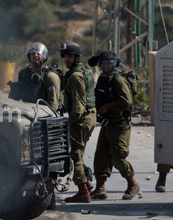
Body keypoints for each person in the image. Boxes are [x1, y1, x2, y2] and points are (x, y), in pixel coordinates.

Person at [88, 51, 140, 200]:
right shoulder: (104, 79)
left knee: (117, 157)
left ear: (114, 64)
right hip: (107, 123)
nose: (105, 67)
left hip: (120, 125)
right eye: (103, 64)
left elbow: (126, 102)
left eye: (108, 64)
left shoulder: (118, 80)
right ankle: (100, 188)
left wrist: (108, 107)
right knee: (101, 156)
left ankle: (132, 184)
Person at [60, 42, 97, 203]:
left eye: (69, 56)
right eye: (65, 56)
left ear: (76, 57)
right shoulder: (85, 72)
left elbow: (79, 107)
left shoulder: (75, 76)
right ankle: (87, 182)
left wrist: (68, 122)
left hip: (82, 118)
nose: (66, 59)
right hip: (90, 116)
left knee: (76, 154)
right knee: (79, 152)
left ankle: (83, 191)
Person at [8, 42, 62, 112]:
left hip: (44, 112)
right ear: (29, 56)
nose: (35, 55)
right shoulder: (24, 74)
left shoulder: (50, 76)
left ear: (44, 56)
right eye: (33, 53)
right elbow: (16, 97)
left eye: (38, 54)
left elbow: (53, 104)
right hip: (26, 110)